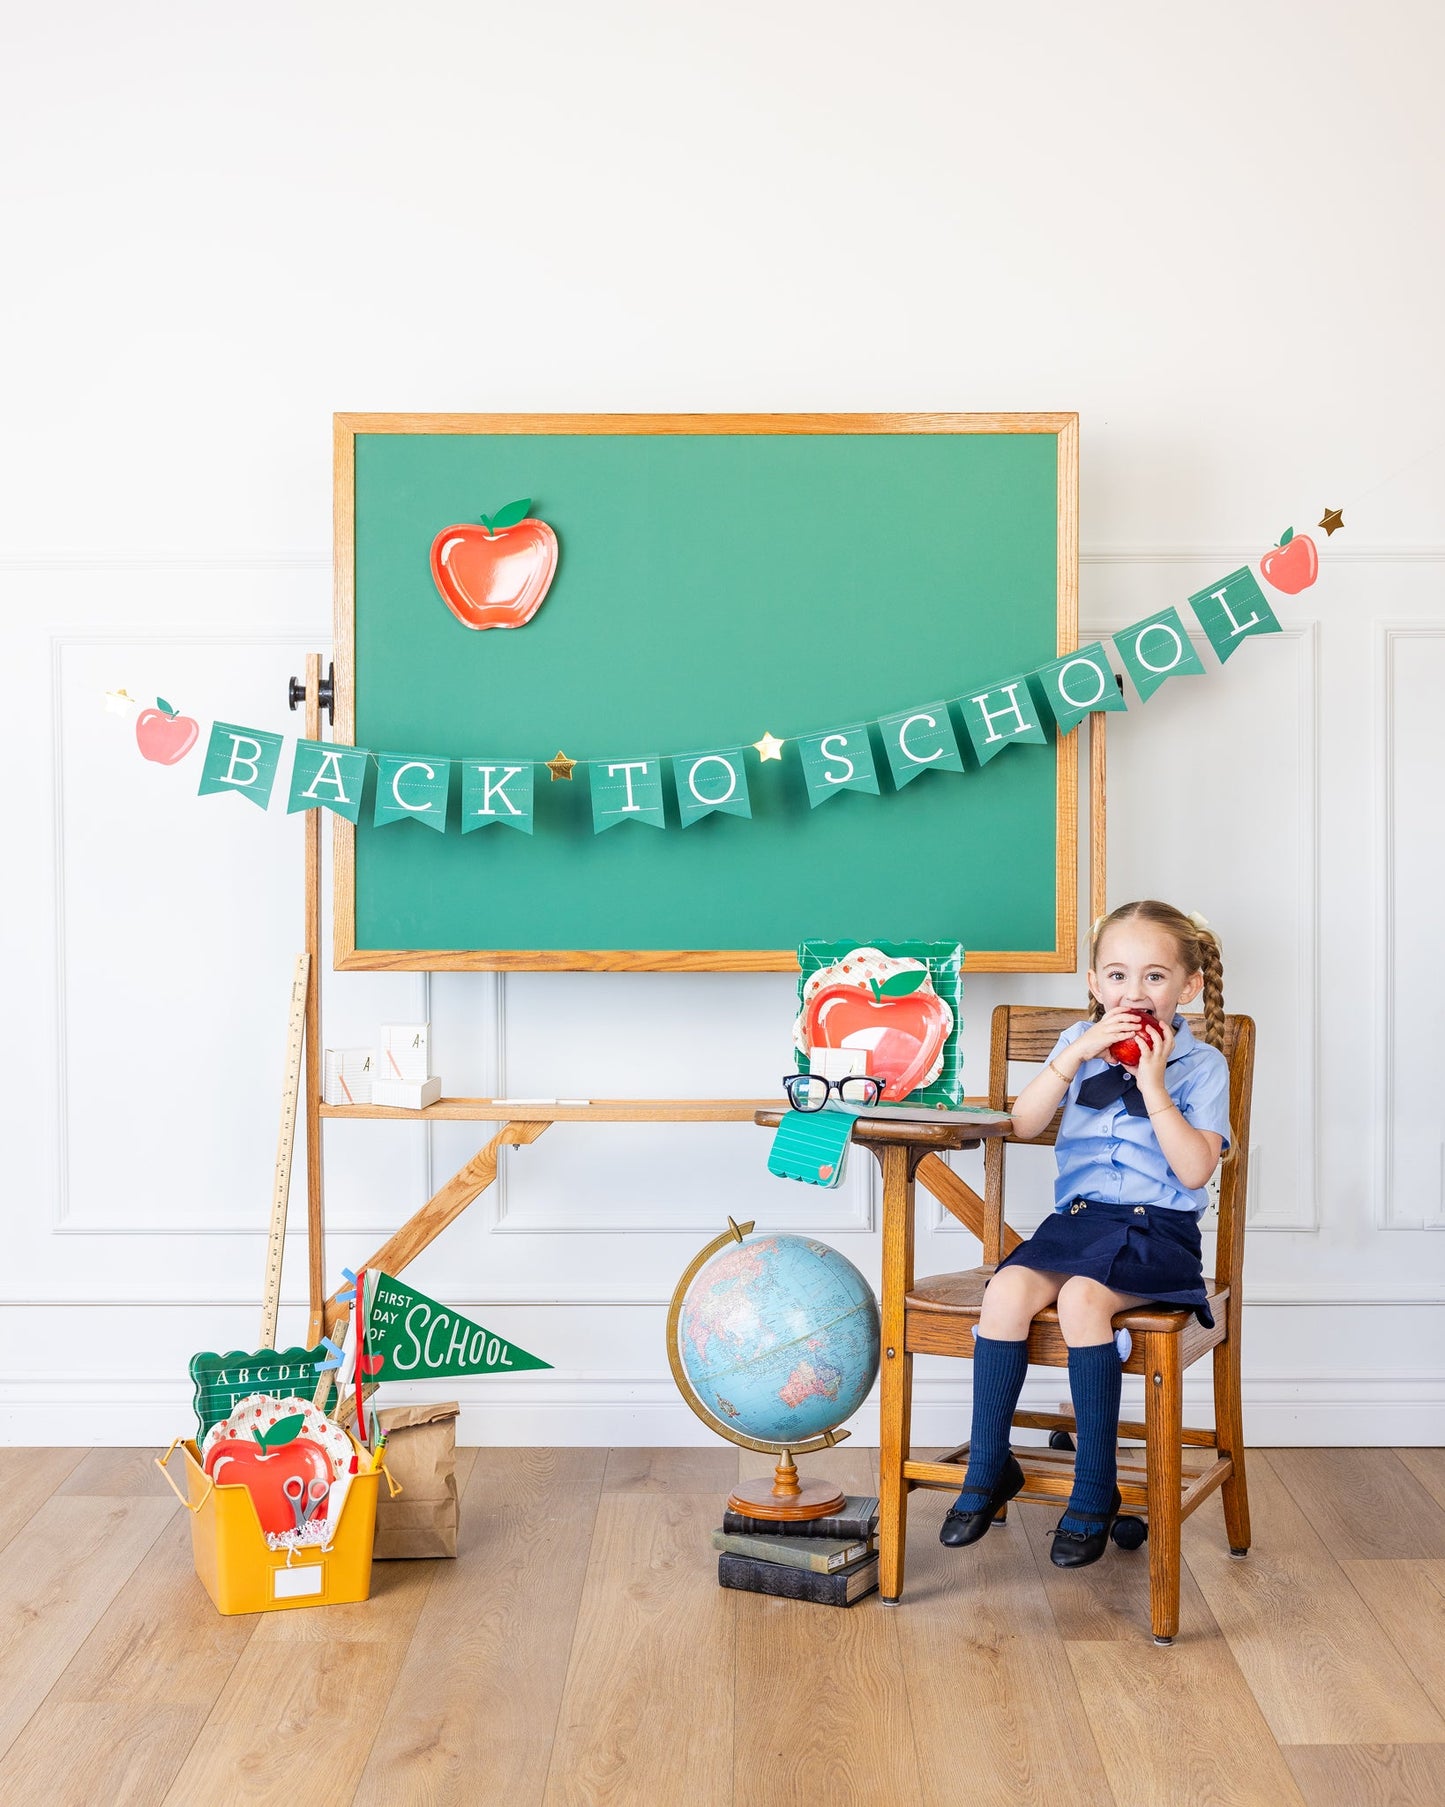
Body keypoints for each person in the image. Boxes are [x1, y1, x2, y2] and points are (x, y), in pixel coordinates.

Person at [940, 899, 1231, 1568]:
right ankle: (988, 1466)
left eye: (1155, 977)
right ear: (1096, 985)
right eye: (1118, 976)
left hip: (1155, 1229)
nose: (1135, 992)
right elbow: (1022, 1122)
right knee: (1006, 1291)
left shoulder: (1202, 1065)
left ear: (1186, 986)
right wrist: (1073, 1056)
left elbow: (1192, 1170)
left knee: (1079, 1301)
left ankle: (1095, 1486)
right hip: (1076, 1222)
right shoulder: (1079, 1040)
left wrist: (1153, 1084)